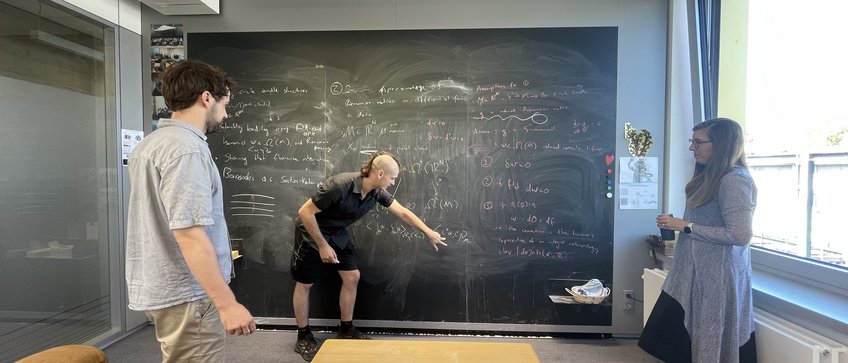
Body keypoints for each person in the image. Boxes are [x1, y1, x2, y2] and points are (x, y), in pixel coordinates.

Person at [126, 60, 256, 362]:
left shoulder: (151, 144)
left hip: (166, 283)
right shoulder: (187, 150)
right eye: (224, 104)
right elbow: (190, 234)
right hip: (188, 291)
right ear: (206, 97)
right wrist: (226, 305)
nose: (225, 114)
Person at [290, 151, 448, 361]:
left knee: (352, 276)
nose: (393, 183)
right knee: (305, 284)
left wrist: (428, 232)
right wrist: (322, 245)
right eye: (392, 178)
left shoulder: (375, 192)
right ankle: (303, 336)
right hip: (312, 233)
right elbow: (305, 212)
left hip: (336, 233)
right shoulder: (339, 185)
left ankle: (346, 329)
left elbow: (402, 212)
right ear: (380, 173)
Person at [638, 118, 758, 363]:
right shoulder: (708, 177)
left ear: (722, 144)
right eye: (692, 142)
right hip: (692, 275)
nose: (693, 148)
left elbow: (739, 234)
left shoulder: (735, 180)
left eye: (699, 142)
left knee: (709, 344)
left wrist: (686, 226)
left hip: (717, 280)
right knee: (681, 341)